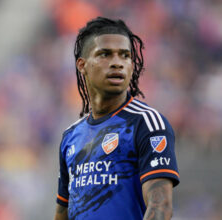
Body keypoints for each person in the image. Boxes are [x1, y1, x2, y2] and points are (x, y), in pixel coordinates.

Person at [54, 17, 180, 220]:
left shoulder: (146, 124)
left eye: (125, 56)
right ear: (82, 65)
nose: (117, 63)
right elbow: (62, 212)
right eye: (105, 54)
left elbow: (161, 207)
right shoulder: (70, 137)